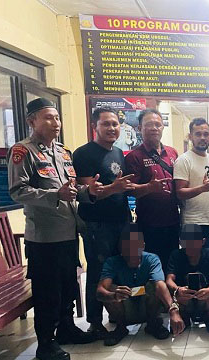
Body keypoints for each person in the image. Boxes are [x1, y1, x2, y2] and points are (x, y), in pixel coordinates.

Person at [8, 98, 103, 360]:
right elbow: (18, 191)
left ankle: (67, 329)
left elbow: (69, 190)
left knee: (69, 285)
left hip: (69, 232)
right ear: (32, 121)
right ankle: (46, 343)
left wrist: (88, 191)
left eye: (57, 117)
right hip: (44, 237)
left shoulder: (62, 152)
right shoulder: (22, 151)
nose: (56, 123)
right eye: (48, 117)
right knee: (48, 291)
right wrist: (54, 195)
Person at [74, 107, 136, 340]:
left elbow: (124, 186)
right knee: (98, 271)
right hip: (97, 224)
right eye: (106, 124)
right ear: (95, 126)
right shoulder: (83, 154)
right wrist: (114, 188)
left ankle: (116, 315)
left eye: (115, 124)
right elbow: (89, 193)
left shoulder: (119, 153)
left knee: (118, 270)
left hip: (121, 221)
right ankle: (94, 321)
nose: (112, 128)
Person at [97, 224, 185, 346]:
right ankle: (121, 328)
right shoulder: (112, 262)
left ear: (142, 246)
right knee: (110, 289)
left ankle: (153, 324)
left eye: (135, 245)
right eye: (126, 246)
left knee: (154, 285)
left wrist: (173, 310)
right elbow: (100, 291)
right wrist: (114, 295)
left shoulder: (152, 259)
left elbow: (160, 285)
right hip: (125, 308)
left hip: (147, 307)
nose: (131, 250)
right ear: (120, 247)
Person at [125, 108, 180, 271]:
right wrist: (149, 188)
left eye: (158, 124)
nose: (154, 128)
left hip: (173, 221)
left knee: (171, 265)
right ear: (139, 128)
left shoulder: (172, 153)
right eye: (149, 124)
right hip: (149, 224)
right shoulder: (134, 157)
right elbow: (129, 190)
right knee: (151, 267)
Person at [174, 118, 209, 252]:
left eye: (206, 134)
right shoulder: (183, 160)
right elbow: (179, 193)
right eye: (198, 134)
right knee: (193, 263)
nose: (202, 138)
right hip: (193, 223)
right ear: (190, 137)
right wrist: (202, 188)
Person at [165, 224, 209, 334]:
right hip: (185, 297)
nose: (190, 245)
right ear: (181, 242)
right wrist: (178, 289)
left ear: (203, 241)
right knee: (177, 295)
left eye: (194, 241)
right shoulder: (176, 255)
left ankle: (207, 317)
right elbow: (169, 279)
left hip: (206, 297)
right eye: (187, 242)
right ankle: (184, 317)